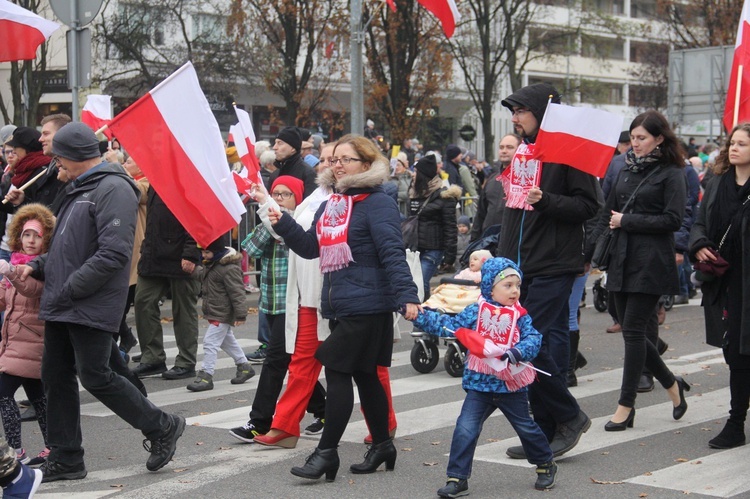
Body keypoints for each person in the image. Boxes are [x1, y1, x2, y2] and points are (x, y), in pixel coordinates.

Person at [16, 122, 185, 482]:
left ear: (75, 155)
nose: (54, 164)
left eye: (58, 157)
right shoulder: (80, 188)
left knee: (96, 375)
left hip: (86, 302)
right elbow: (66, 249)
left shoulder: (112, 188)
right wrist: (37, 267)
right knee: (55, 376)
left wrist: (70, 288)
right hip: (65, 301)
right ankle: (66, 458)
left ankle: (162, 426)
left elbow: (113, 253)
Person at [269, 134, 420, 482]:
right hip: (342, 306)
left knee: (334, 368)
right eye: (333, 159)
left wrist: (407, 295)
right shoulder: (333, 204)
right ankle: (383, 444)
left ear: (366, 164)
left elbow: (391, 252)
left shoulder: (378, 202)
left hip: (370, 305)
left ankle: (326, 453)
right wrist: (284, 222)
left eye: (346, 159)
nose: (336, 165)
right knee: (366, 377)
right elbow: (310, 248)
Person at [499, 82, 598, 459]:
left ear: (542, 111)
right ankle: (542, 430)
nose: (514, 118)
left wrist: (547, 201)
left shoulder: (570, 152)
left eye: (521, 110)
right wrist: (501, 262)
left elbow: (589, 205)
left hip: (555, 264)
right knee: (527, 345)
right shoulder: (522, 152)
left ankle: (570, 416)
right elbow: (511, 212)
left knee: (525, 345)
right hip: (521, 267)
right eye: (514, 111)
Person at [412, 257, 558, 495]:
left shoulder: (520, 315)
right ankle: (457, 478)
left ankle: (545, 464)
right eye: (507, 285)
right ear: (490, 286)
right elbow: (450, 325)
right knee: (465, 429)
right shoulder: (475, 311)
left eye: (517, 285)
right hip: (480, 386)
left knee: (526, 428)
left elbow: (534, 338)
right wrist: (418, 316)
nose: (514, 291)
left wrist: (518, 351)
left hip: (510, 387)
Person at [596, 110, 690, 431]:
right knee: (631, 329)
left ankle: (625, 406)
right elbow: (607, 209)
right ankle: (673, 385)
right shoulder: (623, 168)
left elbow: (673, 220)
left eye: (641, 138)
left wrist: (627, 221)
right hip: (621, 257)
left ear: (659, 139)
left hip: (651, 260)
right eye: (632, 138)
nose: (633, 144)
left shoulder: (672, 173)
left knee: (634, 331)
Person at [229, 175, 326, 441]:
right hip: (272, 302)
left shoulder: (299, 223)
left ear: (298, 199)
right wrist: (268, 214)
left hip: (294, 303)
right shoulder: (272, 221)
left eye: (286, 195)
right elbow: (252, 247)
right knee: (290, 361)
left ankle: (259, 421)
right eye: (277, 193)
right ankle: (324, 409)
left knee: (276, 361)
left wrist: (270, 210)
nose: (280, 199)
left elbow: (280, 235)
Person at [688, 122, 750, 449]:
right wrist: (698, 243)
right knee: (734, 353)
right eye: (732, 142)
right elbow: (699, 221)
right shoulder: (717, 183)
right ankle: (736, 423)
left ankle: (736, 418)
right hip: (726, 281)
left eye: (742, 143)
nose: (734, 148)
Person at [0, 204, 55, 466]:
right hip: (17, 342)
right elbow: (4, 299)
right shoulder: (15, 262)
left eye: (37, 235)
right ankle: (53, 446)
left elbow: (31, 289)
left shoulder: (44, 266)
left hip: (32, 341)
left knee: (3, 392)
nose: (31, 241)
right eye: (26, 234)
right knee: (39, 398)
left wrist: (11, 274)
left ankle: (16, 451)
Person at [132, 187, 202, 380]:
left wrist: (191, 252)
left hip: (181, 255)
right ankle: (153, 358)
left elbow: (196, 217)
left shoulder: (185, 175)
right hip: (154, 254)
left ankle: (186, 362)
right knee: (143, 301)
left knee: (184, 310)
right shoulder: (156, 179)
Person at [187, 234, 254, 392]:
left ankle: (206, 375)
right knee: (226, 341)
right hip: (216, 310)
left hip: (222, 313)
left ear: (217, 251)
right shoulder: (212, 264)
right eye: (202, 252)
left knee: (210, 342)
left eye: (207, 252)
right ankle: (244, 366)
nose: (204, 255)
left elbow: (237, 292)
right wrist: (192, 270)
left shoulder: (229, 268)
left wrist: (240, 314)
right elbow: (204, 276)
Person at [408, 155, 460, 300]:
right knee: (416, 283)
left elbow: (450, 228)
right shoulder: (414, 193)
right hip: (415, 247)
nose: (414, 174)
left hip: (433, 249)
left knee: (421, 283)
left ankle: (425, 317)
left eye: (417, 172)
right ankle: (425, 315)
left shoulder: (445, 196)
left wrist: (450, 257)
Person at [471, 134, 521, 242]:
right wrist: (473, 242)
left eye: (509, 147)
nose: (504, 151)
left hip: (513, 242)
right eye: (501, 147)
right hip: (488, 241)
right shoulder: (492, 178)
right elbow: (481, 213)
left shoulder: (524, 180)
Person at [269, 126, 317, 199]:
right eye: (275, 143)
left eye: (280, 143)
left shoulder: (308, 173)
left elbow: (310, 205)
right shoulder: (275, 174)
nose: (274, 147)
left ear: (293, 148)